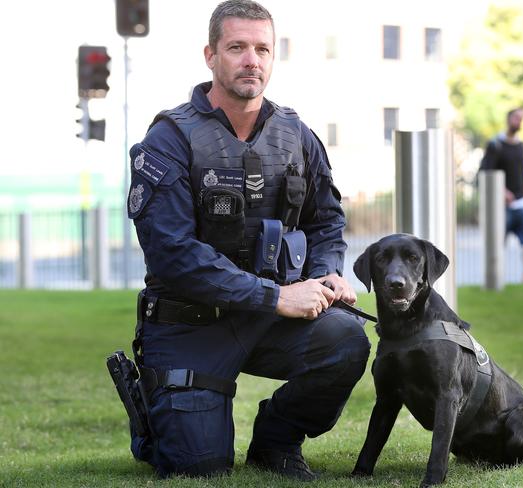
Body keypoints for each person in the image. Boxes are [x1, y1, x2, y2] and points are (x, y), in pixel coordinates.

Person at [124, 0, 370, 480]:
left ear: (273, 57)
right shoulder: (168, 139)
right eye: (236, 47)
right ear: (211, 55)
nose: (251, 60)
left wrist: (326, 271)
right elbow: (172, 253)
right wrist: (276, 295)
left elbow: (326, 219)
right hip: (190, 323)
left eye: (262, 49)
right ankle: (159, 415)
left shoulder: (297, 134)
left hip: (269, 318)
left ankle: (277, 440)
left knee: (345, 341)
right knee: (198, 465)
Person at [479, 107, 523, 282]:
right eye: (516, 118)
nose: (519, 121)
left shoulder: (522, 146)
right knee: (497, 245)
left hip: (522, 203)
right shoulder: (495, 145)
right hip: (502, 207)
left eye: (521, 118)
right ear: (508, 119)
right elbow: (485, 172)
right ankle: (496, 279)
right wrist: (502, 192)